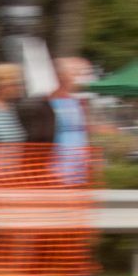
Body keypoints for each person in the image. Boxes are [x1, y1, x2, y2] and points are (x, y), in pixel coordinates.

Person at [48, 57, 94, 185]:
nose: (79, 78)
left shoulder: (78, 102)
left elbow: (83, 132)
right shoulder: (51, 101)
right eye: (74, 73)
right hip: (59, 166)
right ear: (60, 76)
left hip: (78, 165)